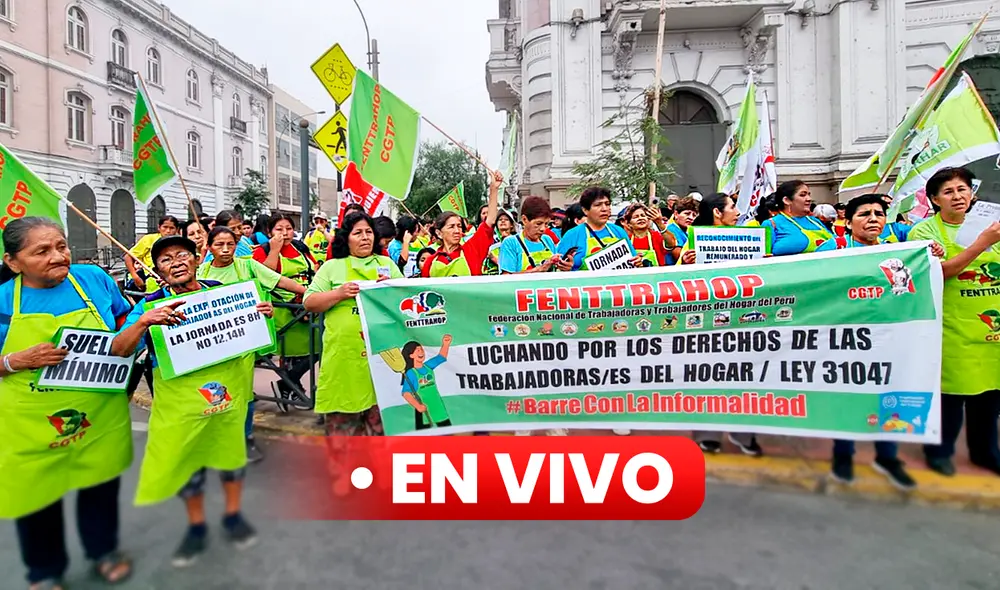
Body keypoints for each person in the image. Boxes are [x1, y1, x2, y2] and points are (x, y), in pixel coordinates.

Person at [111, 234, 272, 567]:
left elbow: (259, 336)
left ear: (197, 259)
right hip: (181, 403)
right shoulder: (150, 304)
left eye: (182, 254)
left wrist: (263, 313)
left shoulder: (224, 292)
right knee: (190, 467)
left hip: (230, 395)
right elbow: (120, 349)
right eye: (166, 259)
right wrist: (143, 322)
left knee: (231, 457)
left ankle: (232, 517)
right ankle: (196, 527)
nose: (176, 262)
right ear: (157, 270)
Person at [0, 218, 135, 589]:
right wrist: (12, 361)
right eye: (41, 251)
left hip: (100, 416)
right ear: (13, 262)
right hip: (31, 423)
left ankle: (103, 552)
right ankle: (44, 572)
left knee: (99, 488)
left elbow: (124, 315)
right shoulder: (1, 299)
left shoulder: (93, 279)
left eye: (61, 246)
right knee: (37, 498)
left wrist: (135, 333)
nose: (58, 256)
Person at [908, 167, 1000, 477]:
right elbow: (938, 273)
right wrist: (979, 244)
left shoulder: (993, 226)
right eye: (948, 192)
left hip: (990, 328)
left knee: (989, 395)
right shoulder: (924, 232)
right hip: (950, 327)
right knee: (950, 396)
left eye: (962, 189)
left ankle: (985, 452)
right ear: (934, 200)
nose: (957, 196)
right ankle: (939, 451)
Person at [198, 227, 307, 464]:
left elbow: (279, 281)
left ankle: (245, 437)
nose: (226, 250)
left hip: (243, 342)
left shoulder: (248, 266)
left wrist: (307, 293)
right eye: (219, 245)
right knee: (215, 391)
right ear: (209, 247)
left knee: (244, 391)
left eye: (230, 244)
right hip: (213, 345)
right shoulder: (201, 272)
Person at [677, 194, 764, 456]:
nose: (737, 212)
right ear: (717, 213)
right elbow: (678, 279)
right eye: (732, 207)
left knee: (743, 375)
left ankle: (743, 433)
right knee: (706, 375)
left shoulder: (747, 238)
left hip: (741, 318)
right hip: (706, 320)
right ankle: (708, 434)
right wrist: (687, 263)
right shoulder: (694, 238)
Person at [303, 212, 403, 435]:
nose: (365, 237)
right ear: (346, 238)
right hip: (343, 361)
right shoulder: (332, 267)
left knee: (382, 433)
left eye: (368, 232)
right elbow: (309, 302)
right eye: (358, 233)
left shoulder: (386, 264)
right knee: (345, 435)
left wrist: (392, 289)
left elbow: (406, 303)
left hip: (382, 358)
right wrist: (338, 293)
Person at [252, 214, 319, 409]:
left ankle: (288, 384)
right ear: (270, 232)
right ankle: (293, 390)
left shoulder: (300, 247)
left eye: (288, 228)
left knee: (316, 349)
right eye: (279, 229)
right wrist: (274, 250)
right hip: (284, 311)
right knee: (290, 354)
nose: (285, 233)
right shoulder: (262, 251)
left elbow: (313, 268)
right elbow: (266, 277)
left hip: (305, 308)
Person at [422, 171, 503, 277]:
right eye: (451, 227)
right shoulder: (430, 262)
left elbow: (490, 222)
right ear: (439, 233)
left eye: (459, 226)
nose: (457, 231)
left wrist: (494, 189)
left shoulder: (472, 250)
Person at [556, 187, 640, 271]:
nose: (604, 209)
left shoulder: (618, 231)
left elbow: (633, 259)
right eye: (598, 205)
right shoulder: (572, 235)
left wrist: (637, 261)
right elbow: (558, 268)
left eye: (607, 204)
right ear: (585, 210)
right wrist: (567, 268)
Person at [499, 196, 572, 276]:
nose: (543, 229)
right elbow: (506, 277)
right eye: (538, 224)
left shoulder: (547, 240)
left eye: (546, 224)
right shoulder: (511, 243)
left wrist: (565, 268)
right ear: (524, 220)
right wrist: (539, 269)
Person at [763, 180, 832, 256]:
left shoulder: (815, 221)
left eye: (809, 194)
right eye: (803, 195)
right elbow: (762, 256)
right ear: (786, 200)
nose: (809, 199)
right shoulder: (771, 224)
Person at [401, 336, 454, 429]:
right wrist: (418, 406)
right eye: (417, 350)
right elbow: (406, 393)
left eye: (421, 349)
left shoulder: (428, 366)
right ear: (411, 355)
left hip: (437, 407)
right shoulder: (411, 373)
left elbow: (440, 357)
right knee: (424, 440)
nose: (421, 352)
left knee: (448, 433)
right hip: (423, 409)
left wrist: (446, 344)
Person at [126, 215, 178, 292]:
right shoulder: (149, 239)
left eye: (171, 228)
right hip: (150, 284)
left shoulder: (178, 243)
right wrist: (135, 277)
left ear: (176, 229)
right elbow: (128, 257)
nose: (168, 231)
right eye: (165, 227)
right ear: (159, 227)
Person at [664, 196, 699, 263]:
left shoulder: (687, 231)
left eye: (694, 215)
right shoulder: (671, 230)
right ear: (676, 214)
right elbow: (678, 256)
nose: (691, 218)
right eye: (687, 214)